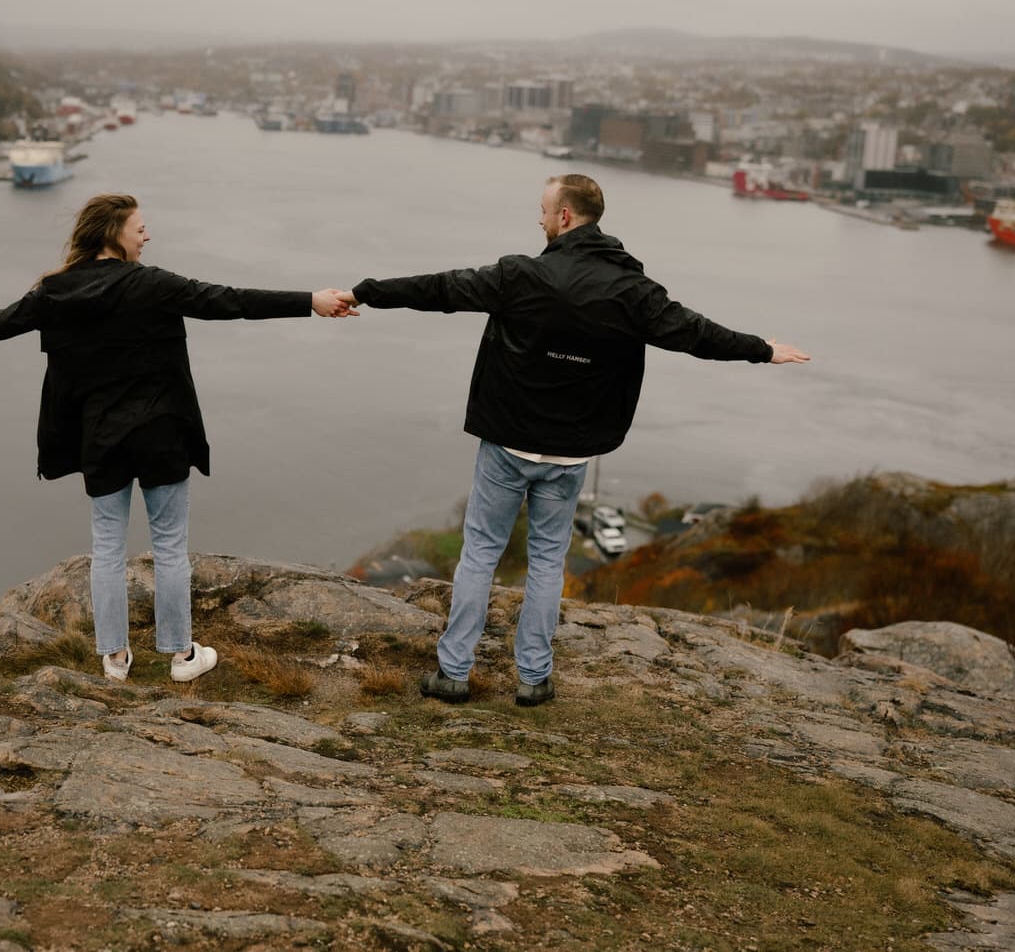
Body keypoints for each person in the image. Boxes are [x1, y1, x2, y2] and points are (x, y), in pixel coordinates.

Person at [338, 174, 808, 707]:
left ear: (565, 217)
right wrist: (761, 350)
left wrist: (364, 292)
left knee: (481, 554)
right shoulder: (632, 291)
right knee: (546, 560)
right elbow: (696, 334)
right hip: (571, 451)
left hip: (508, 443)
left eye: (542, 210)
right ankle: (533, 679)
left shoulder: (521, 276)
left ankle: (454, 673)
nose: (537, 220)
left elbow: (439, 289)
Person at [0, 193, 356, 683]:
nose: (146, 236)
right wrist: (311, 302)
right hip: (162, 434)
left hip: (100, 439)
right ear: (114, 233)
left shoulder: (55, 292)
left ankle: (114, 658)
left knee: (107, 547)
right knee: (170, 546)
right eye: (139, 228)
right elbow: (232, 300)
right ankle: (181, 657)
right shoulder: (154, 285)